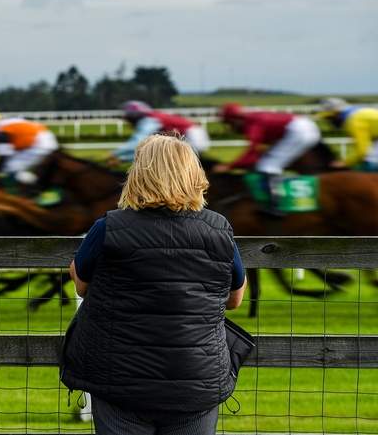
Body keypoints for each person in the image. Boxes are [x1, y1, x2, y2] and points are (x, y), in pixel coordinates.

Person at [60, 133, 247, 435]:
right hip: (195, 381)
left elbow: (81, 286)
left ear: (137, 176)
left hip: (119, 379)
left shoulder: (108, 227)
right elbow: (235, 298)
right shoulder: (218, 228)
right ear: (193, 174)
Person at [212, 103, 322, 217]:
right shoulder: (253, 118)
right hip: (305, 126)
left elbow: (251, 154)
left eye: (229, 123)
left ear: (235, 119)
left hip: (298, 131)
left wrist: (228, 167)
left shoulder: (252, 123)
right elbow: (259, 150)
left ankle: (275, 206)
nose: (230, 127)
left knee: (267, 167)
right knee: (269, 162)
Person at [0, 109, 59, 186]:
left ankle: (36, 187)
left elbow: (3, 157)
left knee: (9, 168)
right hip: (45, 140)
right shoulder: (6, 123)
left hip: (38, 145)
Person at [108, 100, 211, 164]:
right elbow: (145, 151)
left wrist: (113, 154)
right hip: (194, 134)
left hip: (192, 136)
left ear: (134, 118)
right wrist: (123, 160)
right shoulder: (151, 118)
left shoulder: (148, 121)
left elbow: (137, 142)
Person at [317, 97, 378, 170]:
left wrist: (343, 163)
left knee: (369, 165)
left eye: (328, 118)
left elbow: (362, 152)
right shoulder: (357, 113)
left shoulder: (352, 121)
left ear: (337, 114)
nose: (329, 121)